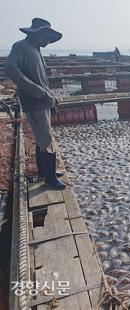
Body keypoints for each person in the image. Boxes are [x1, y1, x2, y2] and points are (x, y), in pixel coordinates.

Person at [5, 18, 66, 190]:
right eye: (45, 37)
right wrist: (36, 90)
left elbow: (42, 79)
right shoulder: (21, 47)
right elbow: (10, 68)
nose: (47, 41)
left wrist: (51, 97)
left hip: (43, 100)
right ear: (37, 35)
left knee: (43, 138)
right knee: (45, 139)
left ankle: (45, 172)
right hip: (34, 101)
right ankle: (50, 178)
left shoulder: (35, 50)